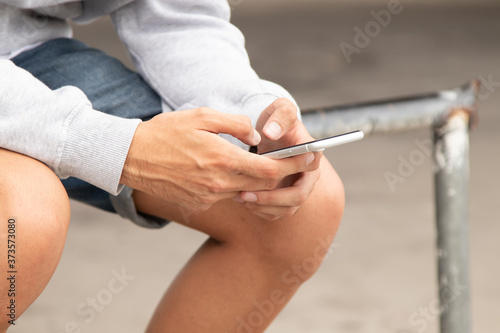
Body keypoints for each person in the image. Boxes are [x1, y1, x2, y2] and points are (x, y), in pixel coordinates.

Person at [0, 0, 345, 332]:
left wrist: (251, 112)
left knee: (302, 208)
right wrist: (116, 147)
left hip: (28, 48)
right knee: (22, 224)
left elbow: (179, 14)